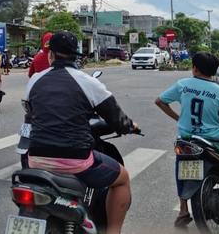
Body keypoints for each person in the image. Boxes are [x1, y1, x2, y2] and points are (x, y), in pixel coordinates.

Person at [27, 31, 138, 234]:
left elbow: (33, 113)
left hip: (35, 159)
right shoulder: (89, 82)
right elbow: (117, 119)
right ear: (77, 55)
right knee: (122, 179)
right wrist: (130, 126)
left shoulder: (34, 80)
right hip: (76, 160)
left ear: (50, 54)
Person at [155, 51, 219, 229]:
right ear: (215, 71)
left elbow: (160, 101)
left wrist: (179, 119)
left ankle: (183, 211)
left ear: (194, 68)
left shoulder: (183, 85)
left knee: (182, 168)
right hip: (215, 136)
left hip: (188, 137)